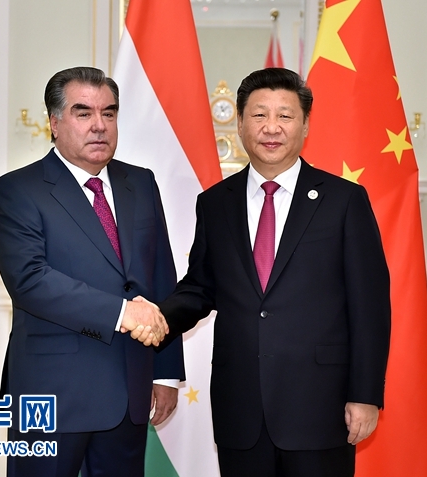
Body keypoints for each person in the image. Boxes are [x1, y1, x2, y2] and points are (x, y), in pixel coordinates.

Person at [151, 68, 391, 477]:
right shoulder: (215, 203)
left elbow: (370, 307)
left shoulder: (344, 200)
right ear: (241, 123)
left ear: (305, 125)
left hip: (321, 406)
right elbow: (200, 288)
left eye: (285, 115)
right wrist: (155, 318)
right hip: (240, 408)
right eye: (259, 115)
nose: (272, 127)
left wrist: (365, 394)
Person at [0, 66, 184, 477]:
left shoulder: (141, 183)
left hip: (130, 391)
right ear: (54, 122)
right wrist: (123, 312)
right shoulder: (17, 190)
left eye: (109, 113)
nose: (99, 125)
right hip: (52, 393)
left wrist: (166, 373)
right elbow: (30, 281)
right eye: (83, 113)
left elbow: (161, 279)